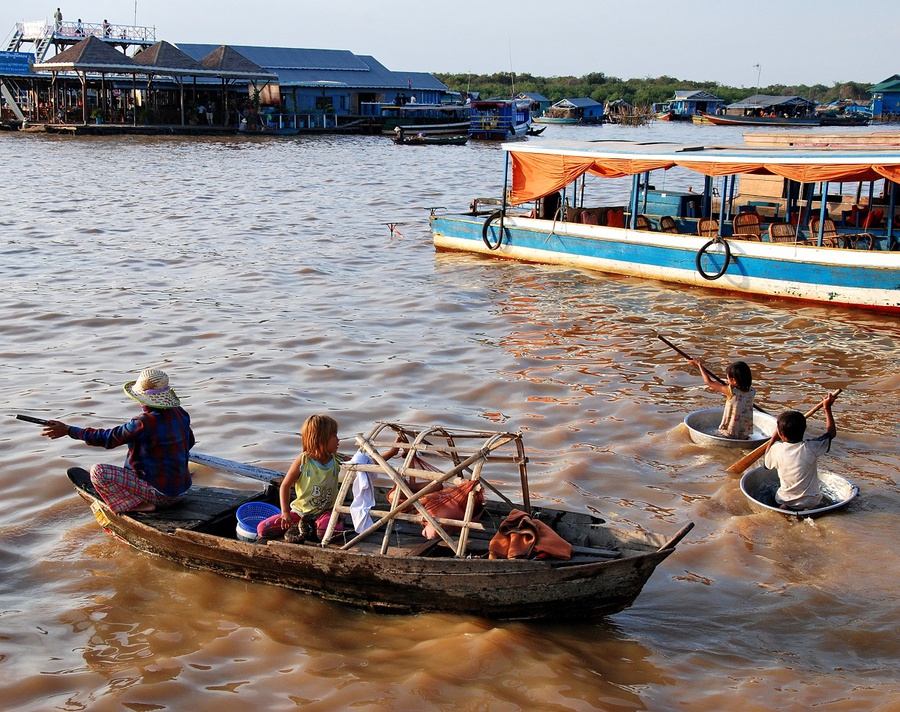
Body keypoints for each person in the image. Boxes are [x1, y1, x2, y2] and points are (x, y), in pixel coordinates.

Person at [41, 368, 195, 514]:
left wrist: (69, 430)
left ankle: (141, 504)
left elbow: (108, 438)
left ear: (144, 400)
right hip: (182, 490)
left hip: (162, 496)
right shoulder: (180, 413)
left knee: (98, 472)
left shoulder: (144, 422)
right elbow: (190, 442)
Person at [257, 414, 399, 542]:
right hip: (300, 512)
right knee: (263, 530)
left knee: (324, 532)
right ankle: (305, 526)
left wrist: (392, 452)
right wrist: (285, 512)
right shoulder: (303, 460)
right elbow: (285, 486)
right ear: (321, 439)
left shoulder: (337, 459)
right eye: (334, 436)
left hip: (326, 511)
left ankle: (332, 520)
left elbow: (367, 463)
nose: (338, 440)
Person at [763, 392, 838, 510]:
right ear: (804, 430)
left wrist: (773, 438)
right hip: (812, 501)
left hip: (785, 499)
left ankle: (785, 506)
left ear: (781, 434)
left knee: (771, 491)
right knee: (818, 500)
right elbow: (831, 434)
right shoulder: (812, 447)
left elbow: (767, 464)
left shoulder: (776, 449)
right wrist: (827, 408)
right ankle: (806, 507)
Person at [690, 359, 756, 439]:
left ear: (734, 381)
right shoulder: (752, 391)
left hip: (728, 433)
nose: (727, 381)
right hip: (744, 435)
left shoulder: (731, 391)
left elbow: (708, 382)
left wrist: (699, 364)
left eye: (728, 379)